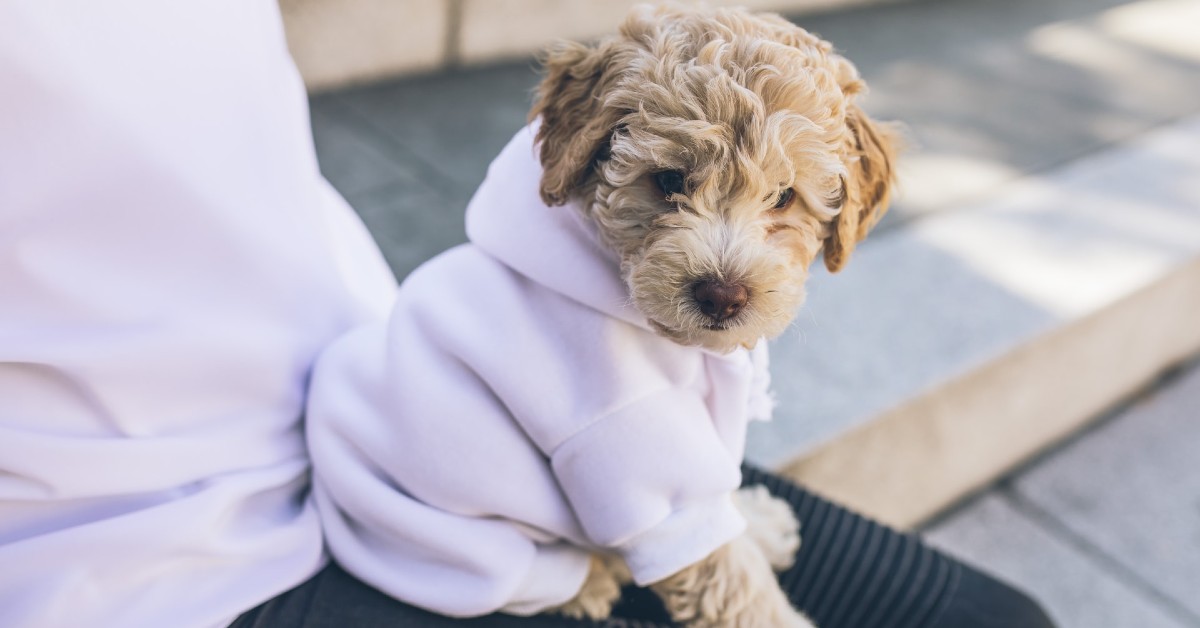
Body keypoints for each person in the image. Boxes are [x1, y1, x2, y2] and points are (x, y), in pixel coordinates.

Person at [0, 2, 1054, 627]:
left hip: (369, 387)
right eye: (671, 186)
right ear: (578, 152)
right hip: (198, 541)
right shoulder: (579, 344)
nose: (728, 266)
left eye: (783, 202)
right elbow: (670, 524)